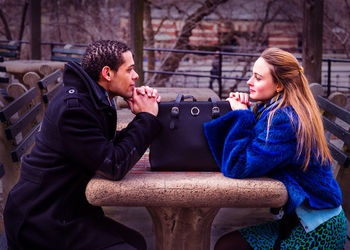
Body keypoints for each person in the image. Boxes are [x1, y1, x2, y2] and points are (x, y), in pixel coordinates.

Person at [4, 40, 161, 250]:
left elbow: (105, 147)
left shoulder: (92, 97)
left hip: (67, 209)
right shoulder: (74, 110)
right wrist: (146, 118)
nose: (136, 76)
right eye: (130, 70)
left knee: (137, 242)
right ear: (107, 73)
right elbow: (113, 165)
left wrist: (143, 117)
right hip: (40, 219)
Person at [203, 47, 348, 249]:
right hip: (299, 220)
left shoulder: (285, 121)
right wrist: (242, 112)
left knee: (228, 246)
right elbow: (254, 147)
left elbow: (238, 166)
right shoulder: (274, 109)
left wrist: (241, 115)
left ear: (279, 85)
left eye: (258, 78)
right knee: (227, 244)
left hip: (318, 229)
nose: (249, 82)